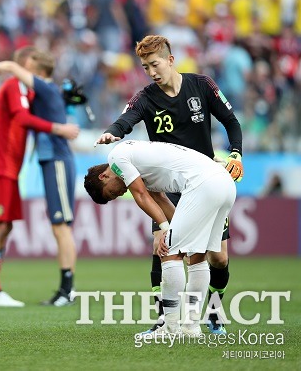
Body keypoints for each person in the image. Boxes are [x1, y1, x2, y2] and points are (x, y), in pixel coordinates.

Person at [94, 35, 243, 335]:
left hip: (204, 180)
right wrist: (112, 133)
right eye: (145, 67)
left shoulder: (201, 85)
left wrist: (237, 153)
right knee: (161, 247)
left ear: (171, 60)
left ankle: (212, 312)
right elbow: (126, 119)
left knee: (218, 257)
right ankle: (166, 319)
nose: (151, 72)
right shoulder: (146, 97)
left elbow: (231, 121)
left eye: (155, 64)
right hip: (168, 184)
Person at [84, 140, 236, 336]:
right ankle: (191, 327)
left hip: (203, 184)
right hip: (223, 183)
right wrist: (177, 232)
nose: (121, 193)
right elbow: (161, 199)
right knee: (198, 255)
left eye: (113, 192)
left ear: (104, 175)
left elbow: (141, 196)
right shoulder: (139, 162)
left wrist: (166, 231)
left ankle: (170, 328)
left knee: (169, 251)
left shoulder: (116, 157)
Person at [0, 47, 79, 307]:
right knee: (3, 225)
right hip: (36, 162)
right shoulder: (31, 92)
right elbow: (14, 114)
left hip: (55, 160)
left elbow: (21, 114)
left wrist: (3, 64)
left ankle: (67, 290)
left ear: (38, 72)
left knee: (60, 225)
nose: (24, 72)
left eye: (28, 67)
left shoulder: (41, 87)